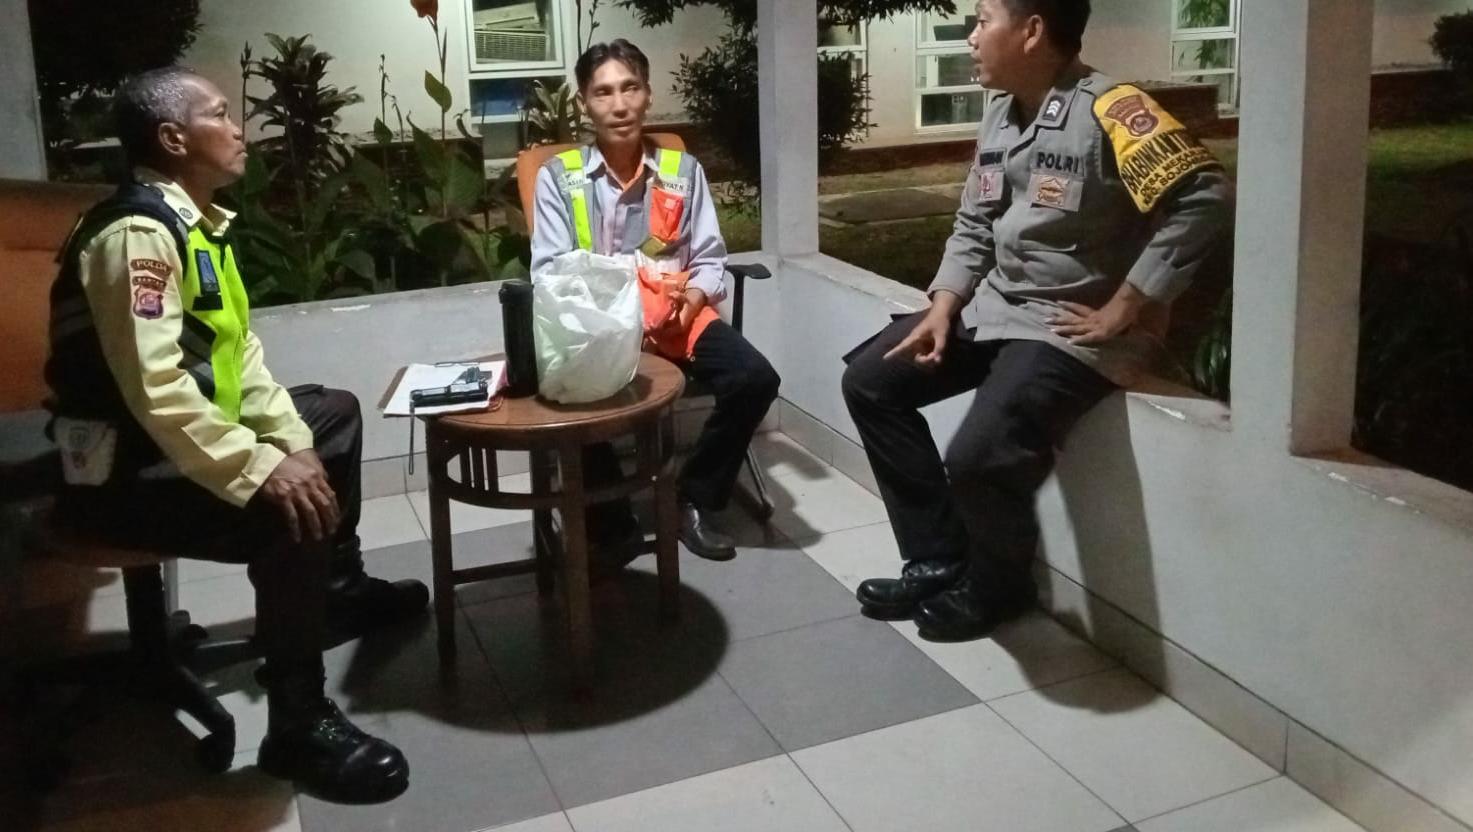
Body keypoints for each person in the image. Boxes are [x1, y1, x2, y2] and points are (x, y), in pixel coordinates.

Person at [45, 67, 429, 802]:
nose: (237, 129)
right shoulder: (137, 237)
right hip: (121, 475)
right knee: (285, 511)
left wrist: (292, 443)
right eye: (220, 115)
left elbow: (238, 358)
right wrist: (262, 468)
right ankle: (297, 722)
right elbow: (156, 390)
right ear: (173, 138)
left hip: (167, 448)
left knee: (331, 415)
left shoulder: (193, 225)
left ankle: (337, 593)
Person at [842, 0, 1232, 641]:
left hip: (1067, 326)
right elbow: (975, 222)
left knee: (976, 455)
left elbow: (1205, 197)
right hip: (997, 308)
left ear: (1031, 32)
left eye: (982, 20)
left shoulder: (1112, 110)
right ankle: (938, 559)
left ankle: (999, 585)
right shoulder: (1001, 113)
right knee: (870, 382)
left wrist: (1129, 303)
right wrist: (943, 305)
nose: (970, 37)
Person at [530, 39, 781, 563]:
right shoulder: (559, 177)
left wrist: (694, 295)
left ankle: (694, 498)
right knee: (572, 391)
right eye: (603, 92)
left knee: (755, 378)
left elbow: (709, 256)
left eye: (630, 88)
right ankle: (613, 521)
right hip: (599, 328)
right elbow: (550, 271)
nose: (619, 105)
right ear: (584, 103)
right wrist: (616, 315)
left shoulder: (682, 171)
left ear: (647, 94)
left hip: (676, 317)